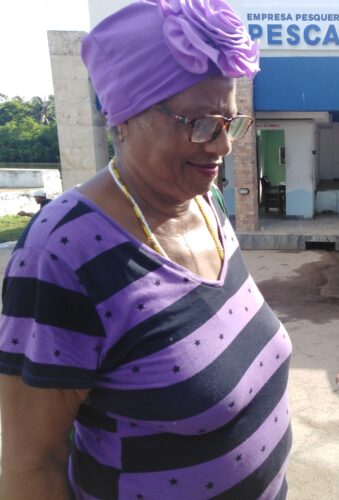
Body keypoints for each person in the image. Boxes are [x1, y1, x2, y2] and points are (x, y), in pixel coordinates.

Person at [0, 1, 291, 499]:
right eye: (201, 122)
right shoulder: (63, 254)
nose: (222, 146)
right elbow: (31, 465)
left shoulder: (207, 204)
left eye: (229, 122)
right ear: (125, 120)